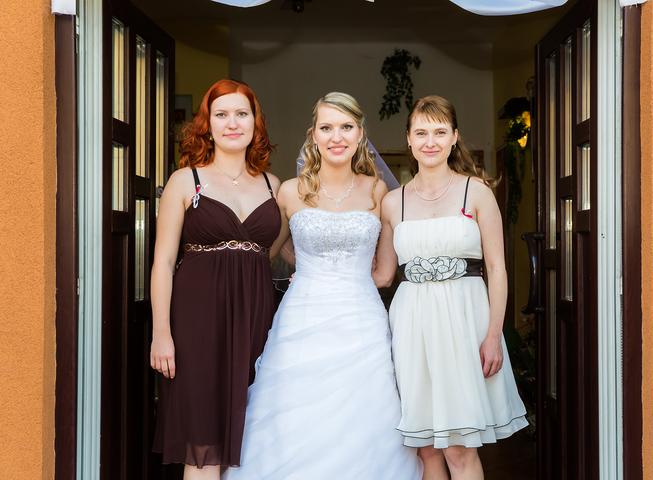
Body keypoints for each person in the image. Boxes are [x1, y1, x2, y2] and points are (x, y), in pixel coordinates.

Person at [223, 92, 422, 479]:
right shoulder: (289, 191)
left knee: (363, 417)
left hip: (361, 325)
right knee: (296, 416)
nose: (337, 137)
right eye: (327, 127)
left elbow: (385, 273)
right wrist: (309, 267)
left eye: (346, 127)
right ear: (313, 134)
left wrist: (343, 279)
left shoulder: (378, 191)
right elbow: (266, 253)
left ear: (360, 133)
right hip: (302, 320)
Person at [374, 95, 528, 480]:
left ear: (454, 137)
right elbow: (383, 275)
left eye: (440, 132)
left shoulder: (477, 192)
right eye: (421, 132)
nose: (430, 141)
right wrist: (317, 272)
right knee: (426, 449)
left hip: (465, 323)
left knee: (458, 448)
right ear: (408, 139)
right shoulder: (392, 203)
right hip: (412, 326)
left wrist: (493, 336)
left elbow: (497, 268)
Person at [150, 79, 286, 479]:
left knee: (251, 435)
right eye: (222, 114)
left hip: (256, 321)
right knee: (204, 445)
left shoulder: (274, 186)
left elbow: (276, 252)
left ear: (255, 122)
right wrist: (161, 333)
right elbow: (163, 262)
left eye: (242, 114)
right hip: (198, 323)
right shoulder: (185, 181)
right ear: (207, 124)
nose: (232, 123)